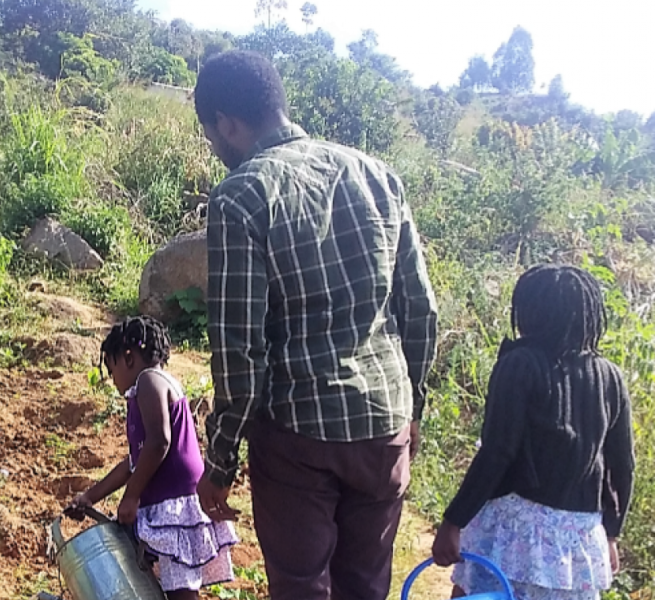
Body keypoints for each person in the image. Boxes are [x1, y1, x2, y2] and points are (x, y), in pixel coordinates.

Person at [193, 50, 439, 600]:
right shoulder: (379, 176)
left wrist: (222, 458)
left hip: (298, 436)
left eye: (212, 135)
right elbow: (420, 311)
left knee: (302, 587)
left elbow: (239, 349)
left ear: (227, 124)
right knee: (366, 586)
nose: (215, 149)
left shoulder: (241, 196)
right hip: (383, 425)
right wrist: (412, 408)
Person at [432, 264, 635, 600]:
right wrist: (611, 533)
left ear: (529, 312)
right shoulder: (610, 377)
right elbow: (622, 465)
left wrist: (454, 521)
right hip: (578, 543)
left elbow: (498, 452)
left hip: (516, 536)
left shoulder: (520, 364)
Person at [68, 316, 238, 600]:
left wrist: (132, 496)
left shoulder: (149, 381)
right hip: (166, 501)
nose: (113, 381)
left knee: (181, 592)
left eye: (112, 371)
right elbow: (133, 462)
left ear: (128, 357)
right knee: (162, 583)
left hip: (174, 504)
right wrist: (89, 497)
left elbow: (159, 443)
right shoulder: (148, 387)